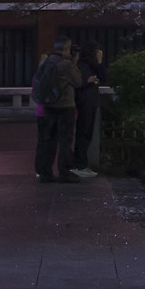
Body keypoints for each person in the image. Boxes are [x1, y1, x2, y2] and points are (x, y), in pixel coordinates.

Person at [32, 36, 81, 182]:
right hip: (65, 106)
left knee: (49, 140)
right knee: (65, 141)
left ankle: (46, 172)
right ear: (66, 49)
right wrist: (74, 62)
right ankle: (64, 172)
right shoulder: (67, 64)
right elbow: (78, 82)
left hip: (48, 106)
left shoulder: (48, 61)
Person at [71, 43, 107, 178]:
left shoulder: (92, 66)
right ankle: (79, 165)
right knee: (83, 133)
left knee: (87, 133)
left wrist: (99, 62)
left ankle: (81, 164)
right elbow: (78, 83)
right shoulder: (81, 66)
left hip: (90, 103)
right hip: (84, 103)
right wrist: (88, 80)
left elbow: (104, 77)